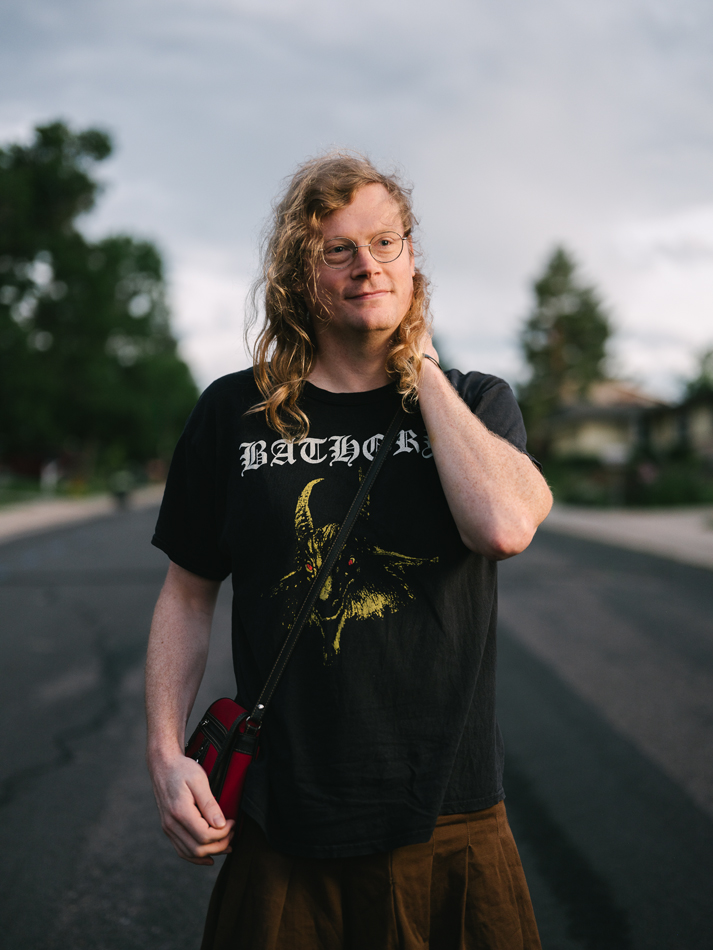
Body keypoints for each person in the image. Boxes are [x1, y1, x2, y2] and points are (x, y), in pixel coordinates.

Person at [146, 152, 552, 950]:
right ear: (301, 277)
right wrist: (165, 755)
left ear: (412, 261)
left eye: (386, 244)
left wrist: (421, 370)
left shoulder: (474, 404)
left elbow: (503, 526)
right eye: (338, 250)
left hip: (449, 818)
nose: (367, 265)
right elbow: (187, 593)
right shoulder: (236, 412)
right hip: (281, 822)